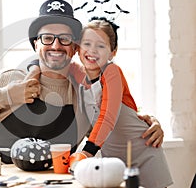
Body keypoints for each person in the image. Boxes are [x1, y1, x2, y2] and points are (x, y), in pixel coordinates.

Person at [0, 0, 164, 165]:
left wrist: (145, 123)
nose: (56, 45)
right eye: (47, 38)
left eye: (64, 38)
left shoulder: (83, 95)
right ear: (36, 45)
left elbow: (109, 124)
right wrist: (8, 95)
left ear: (74, 49)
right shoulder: (12, 78)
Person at [30, 17, 173, 187]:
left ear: (113, 52)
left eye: (101, 46)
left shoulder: (112, 71)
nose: (92, 51)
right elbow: (44, 61)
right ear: (77, 48)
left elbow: (107, 116)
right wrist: (32, 71)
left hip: (144, 150)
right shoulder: (77, 72)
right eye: (87, 44)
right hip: (113, 159)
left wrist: (87, 152)